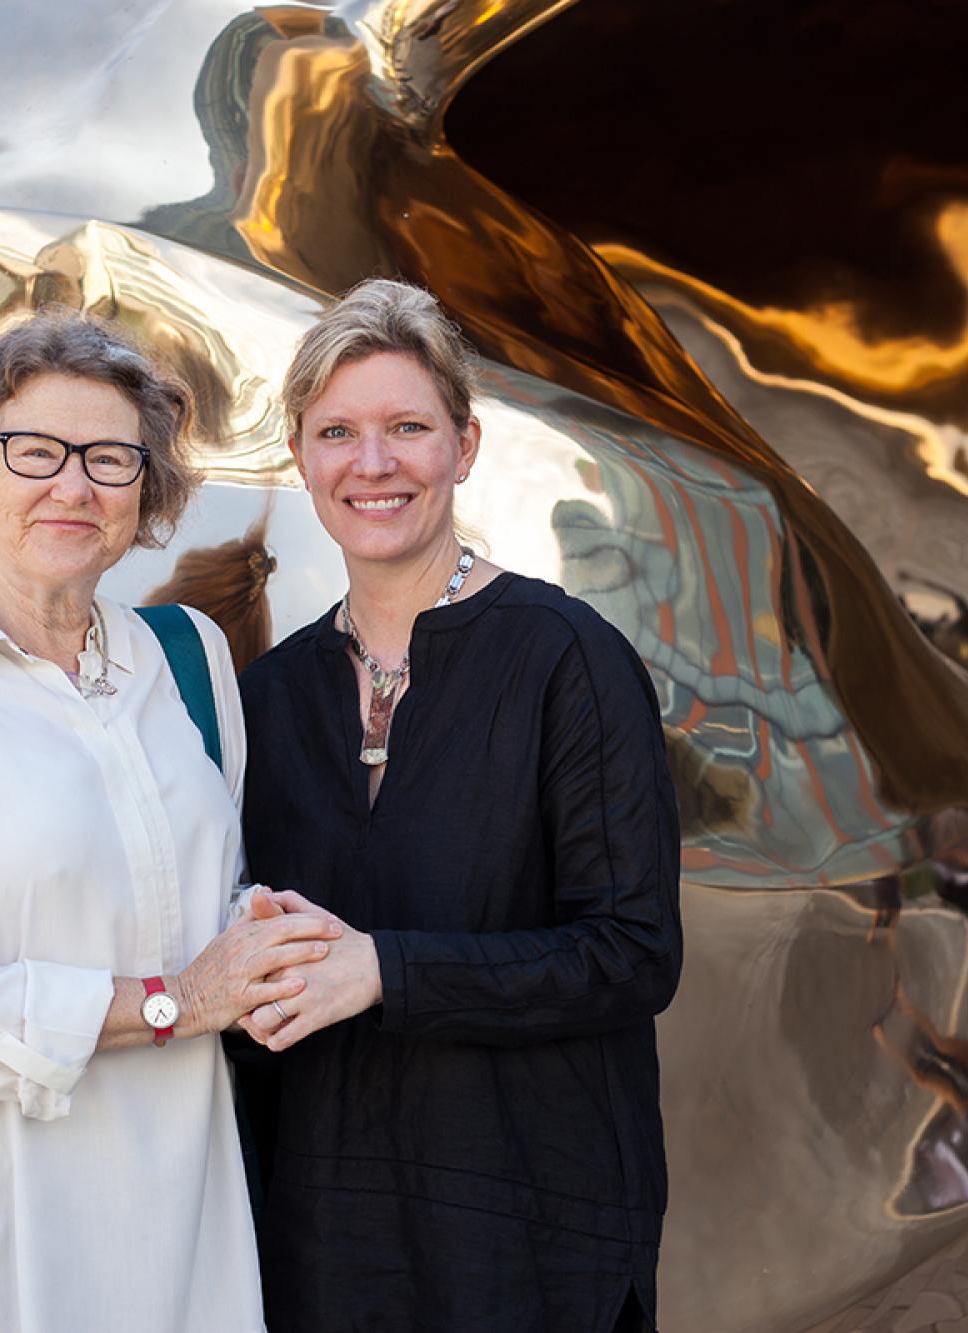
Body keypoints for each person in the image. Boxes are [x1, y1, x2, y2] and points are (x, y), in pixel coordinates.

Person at [0, 308, 339, 1331]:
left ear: (143, 493)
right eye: (35, 452)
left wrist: (260, 933)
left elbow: (197, 884)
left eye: (108, 458)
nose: (72, 485)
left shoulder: (186, 660)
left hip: (183, 1200)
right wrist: (176, 1001)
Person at [236, 279, 683, 1332]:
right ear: (300, 458)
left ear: (465, 445)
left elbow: (631, 953)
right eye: (337, 431)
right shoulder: (264, 697)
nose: (373, 463)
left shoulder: (566, 660)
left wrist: (384, 969)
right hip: (322, 1248)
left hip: (528, 1245)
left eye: (407, 428)